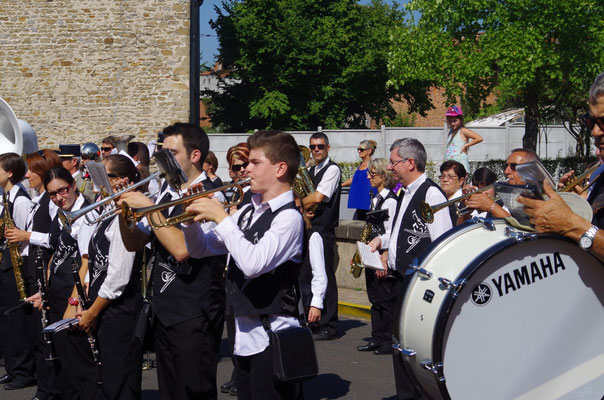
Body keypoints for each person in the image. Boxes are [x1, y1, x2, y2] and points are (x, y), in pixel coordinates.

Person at [180, 130, 304, 400]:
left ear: (280, 168)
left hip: (274, 336)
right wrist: (189, 222)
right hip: (245, 335)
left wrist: (221, 218)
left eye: (255, 162)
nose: (246, 168)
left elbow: (253, 264)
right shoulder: (248, 210)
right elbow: (201, 249)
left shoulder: (289, 219)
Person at [117, 122, 225, 400]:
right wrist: (123, 212)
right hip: (165, 305)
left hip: (195, 308)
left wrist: (147, 210)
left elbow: (182, 249)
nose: (163, 162)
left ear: (195, 155)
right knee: (170, 389)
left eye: (171, 154)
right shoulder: (165, 191)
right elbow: (135, 244)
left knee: (193, 389)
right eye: (161, 155)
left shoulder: (213, 194)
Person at [368, 138, 453, 400]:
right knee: (400, 346)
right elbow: (400, 230)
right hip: (400, 280)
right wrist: (381, 241)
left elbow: (443, 242)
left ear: (410, 163)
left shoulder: (430, 194)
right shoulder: (404, 191)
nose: (391, 168)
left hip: (417, 284)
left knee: (414, 348)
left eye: (394, 162)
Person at [77, 154, 143, 400]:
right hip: (104, 308)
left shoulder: (124, 216)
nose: (96, 184)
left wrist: (92, 312)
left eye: (102, 177)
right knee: (106, 379)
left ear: (120, 181)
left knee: (119, 380)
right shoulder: (107, 211)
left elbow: (118, 277)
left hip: (118, 310)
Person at [5, 150, 62, 399]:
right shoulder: (39, 200)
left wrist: (26, 236)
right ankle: (44, 384)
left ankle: (49, 387)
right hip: (31, 267)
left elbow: (57, 239)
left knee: (44, 332)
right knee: (34, 330)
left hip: (43, 268)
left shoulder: (48, 202)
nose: (26, 175)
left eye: (31, 171)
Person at [43, 167, 99, 400]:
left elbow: (86, 262)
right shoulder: (63, 214)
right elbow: (59, 253)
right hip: (57, 293)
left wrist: (72, 302)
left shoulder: (85, 215)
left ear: (73, 186)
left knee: (80, 362)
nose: (58, 198)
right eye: (52, 194)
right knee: (65, 359)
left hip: (72, 295)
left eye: (62, 191)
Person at [356, 158, 398, 355]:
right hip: (371, 253)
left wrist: (384, 256)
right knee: (374, 297)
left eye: (373, 174)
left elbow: (391, 232)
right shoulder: (375, 198)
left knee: (385, 299)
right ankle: (376, 337)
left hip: (382, 255)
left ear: (384, 176)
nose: (368, 176)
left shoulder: (390, 200)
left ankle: (387, 340)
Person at [0, 152, 35, 391]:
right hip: (5, 263)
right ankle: (13, 369)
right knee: (6, 320)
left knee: (17, 321)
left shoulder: (20, 200)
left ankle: (24, 371)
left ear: (10, 173)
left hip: (16, 266)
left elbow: (23, 237)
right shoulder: (6, 197)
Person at [302, 132, 341, 341]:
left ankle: (330, 325)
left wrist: (300, 205)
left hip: (322, 228)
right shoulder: (310, 169)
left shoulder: (332, 169)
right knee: (309, 275)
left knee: (325, 273)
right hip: (310, 227)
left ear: (328, 148)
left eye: (320, 146)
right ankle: (314, 321)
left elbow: (318, 196)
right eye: (313, 147)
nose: (316, 150)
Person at [342, 140, 377, 220]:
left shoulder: (372, 164)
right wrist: (342, 184)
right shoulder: (361, 164)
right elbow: (355, 178)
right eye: (358, 149)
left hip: (367, 201)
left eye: (361, 149)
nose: (359, 151)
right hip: (360, 202)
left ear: (369, 151)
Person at [444, 105, 483, 171]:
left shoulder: (463, 130)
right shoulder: (451, 132)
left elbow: (479, 138)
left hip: (460, 165)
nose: (452, 123)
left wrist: (466, 145)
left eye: (455, 121)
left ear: (460, 120)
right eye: (450, 121)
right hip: (449, 165)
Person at [225, 143, 251, 208]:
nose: (242, 170)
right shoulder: (234, 189)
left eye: (246, 165)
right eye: (237, 167)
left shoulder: (260, 191)